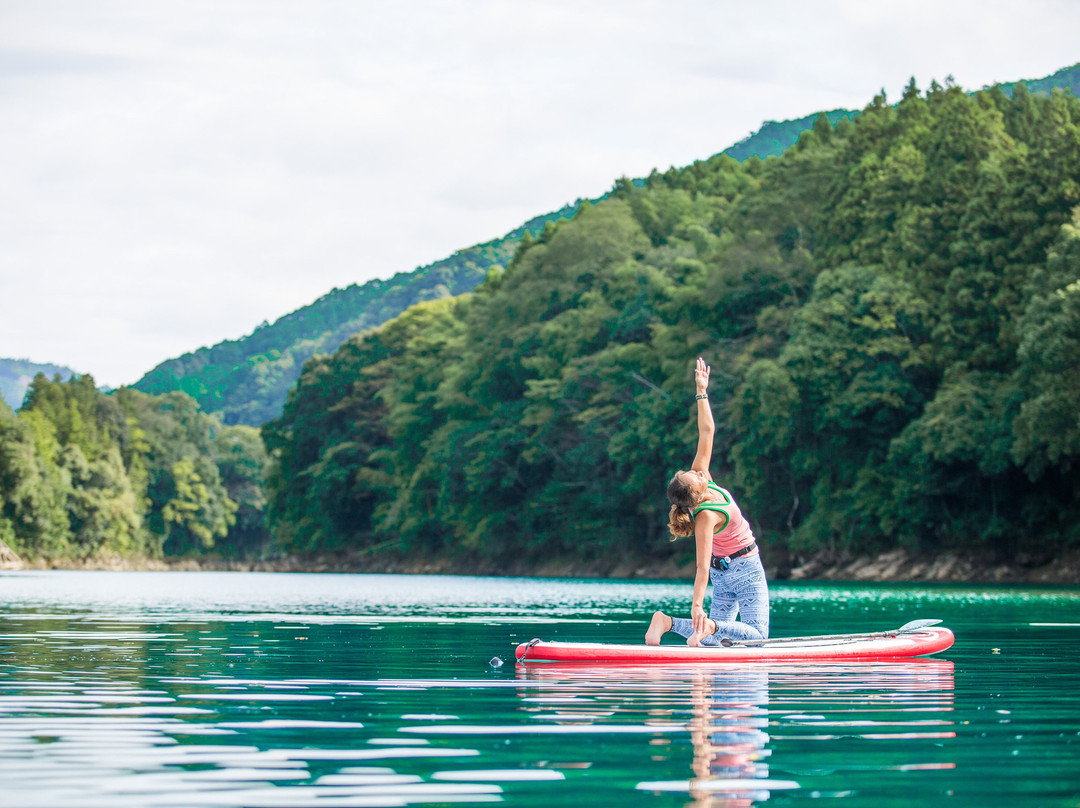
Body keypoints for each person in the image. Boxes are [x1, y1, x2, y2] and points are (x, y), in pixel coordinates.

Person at [645, 357, 769, 647]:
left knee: (711, 643)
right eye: (690, 476)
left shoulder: (703, 480)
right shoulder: (706, 516)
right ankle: (705, 625)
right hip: (744, 568)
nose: (693, 471)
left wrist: (702, 391)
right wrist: (697, 606)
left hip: (723, 572)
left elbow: (707, 431)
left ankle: (668, 623)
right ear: (696, 496)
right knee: (758, 638)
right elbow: (700, 566)